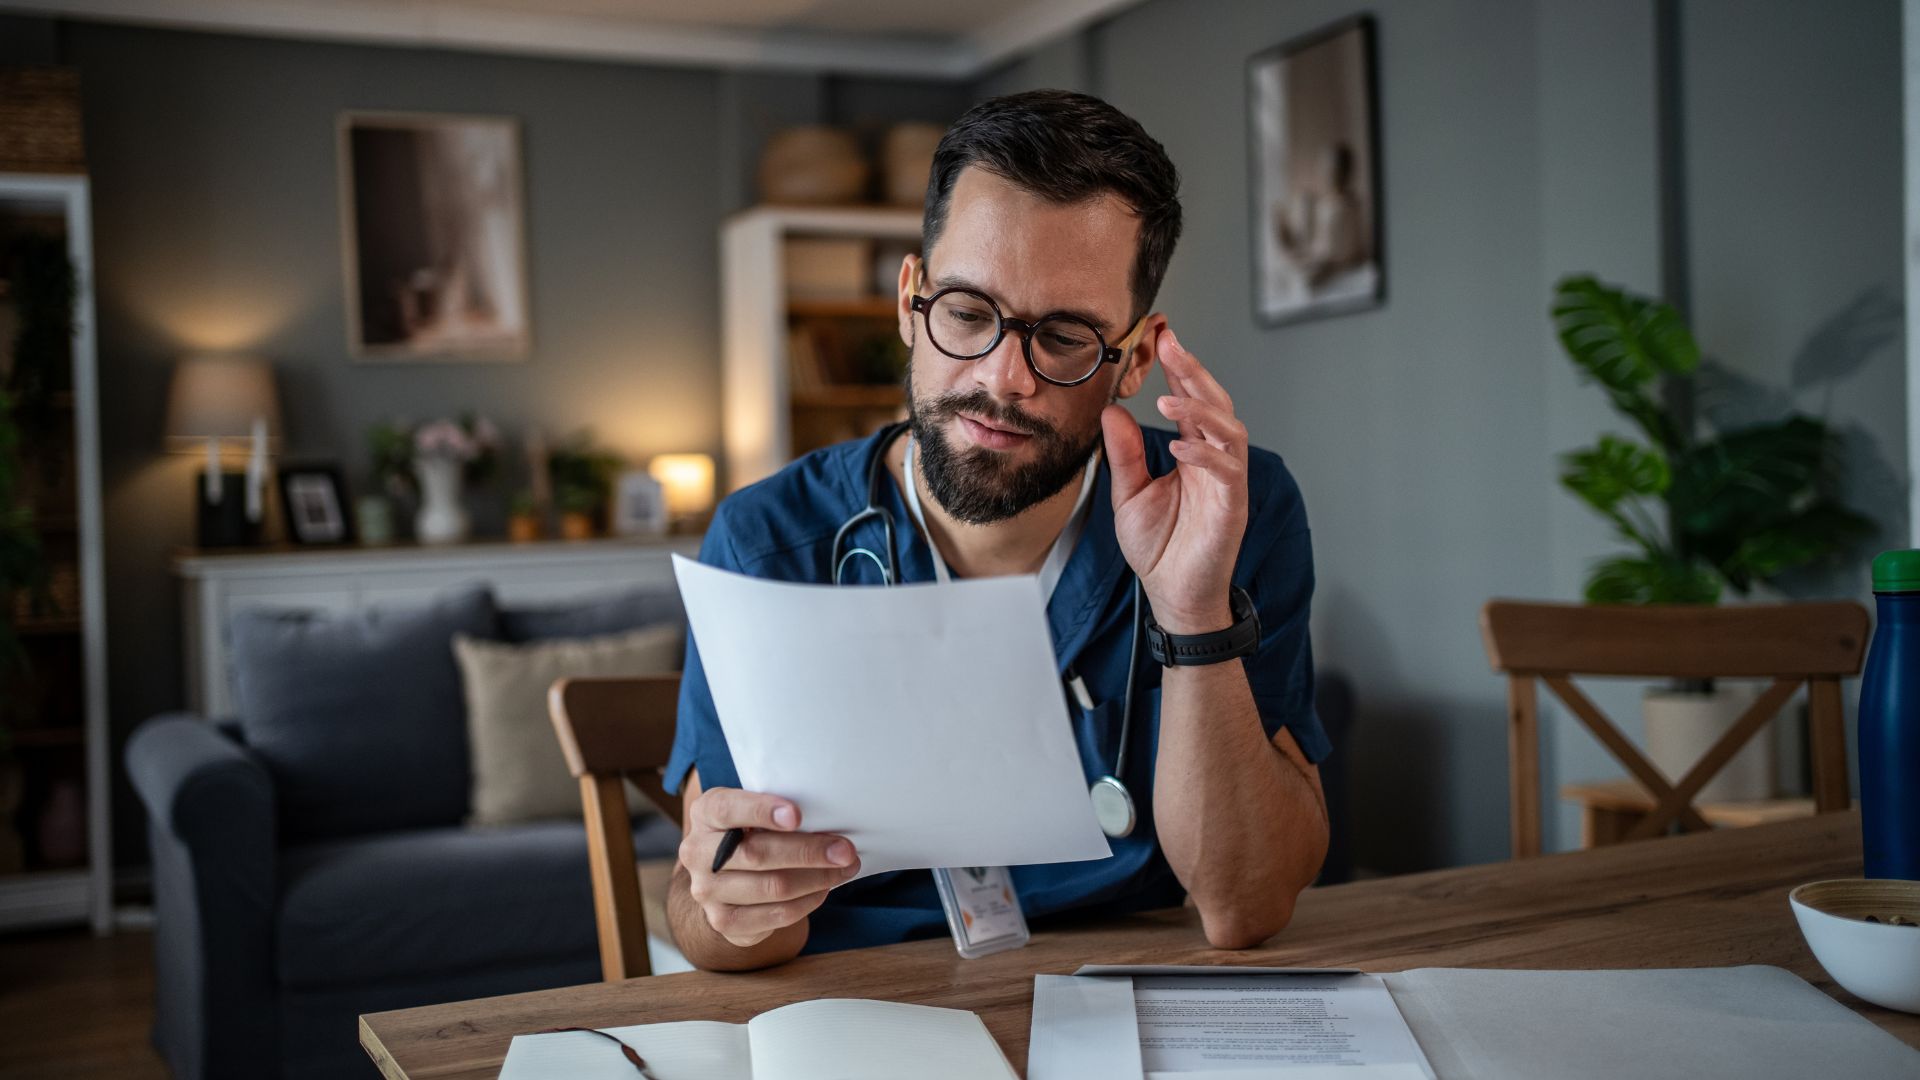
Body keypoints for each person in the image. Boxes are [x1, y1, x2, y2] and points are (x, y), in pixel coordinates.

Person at [664, 89, 1329, 972]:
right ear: (910, 302)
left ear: (1133, 357)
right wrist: (734, 904)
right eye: (968, 315)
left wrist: (1191, 604)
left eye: (1062, 336)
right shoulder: (767, 543)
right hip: (870, 1005)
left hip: (1135, 991)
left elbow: (1245, 910)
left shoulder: (1231, 508)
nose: (1004, 377)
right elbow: (713, 919)